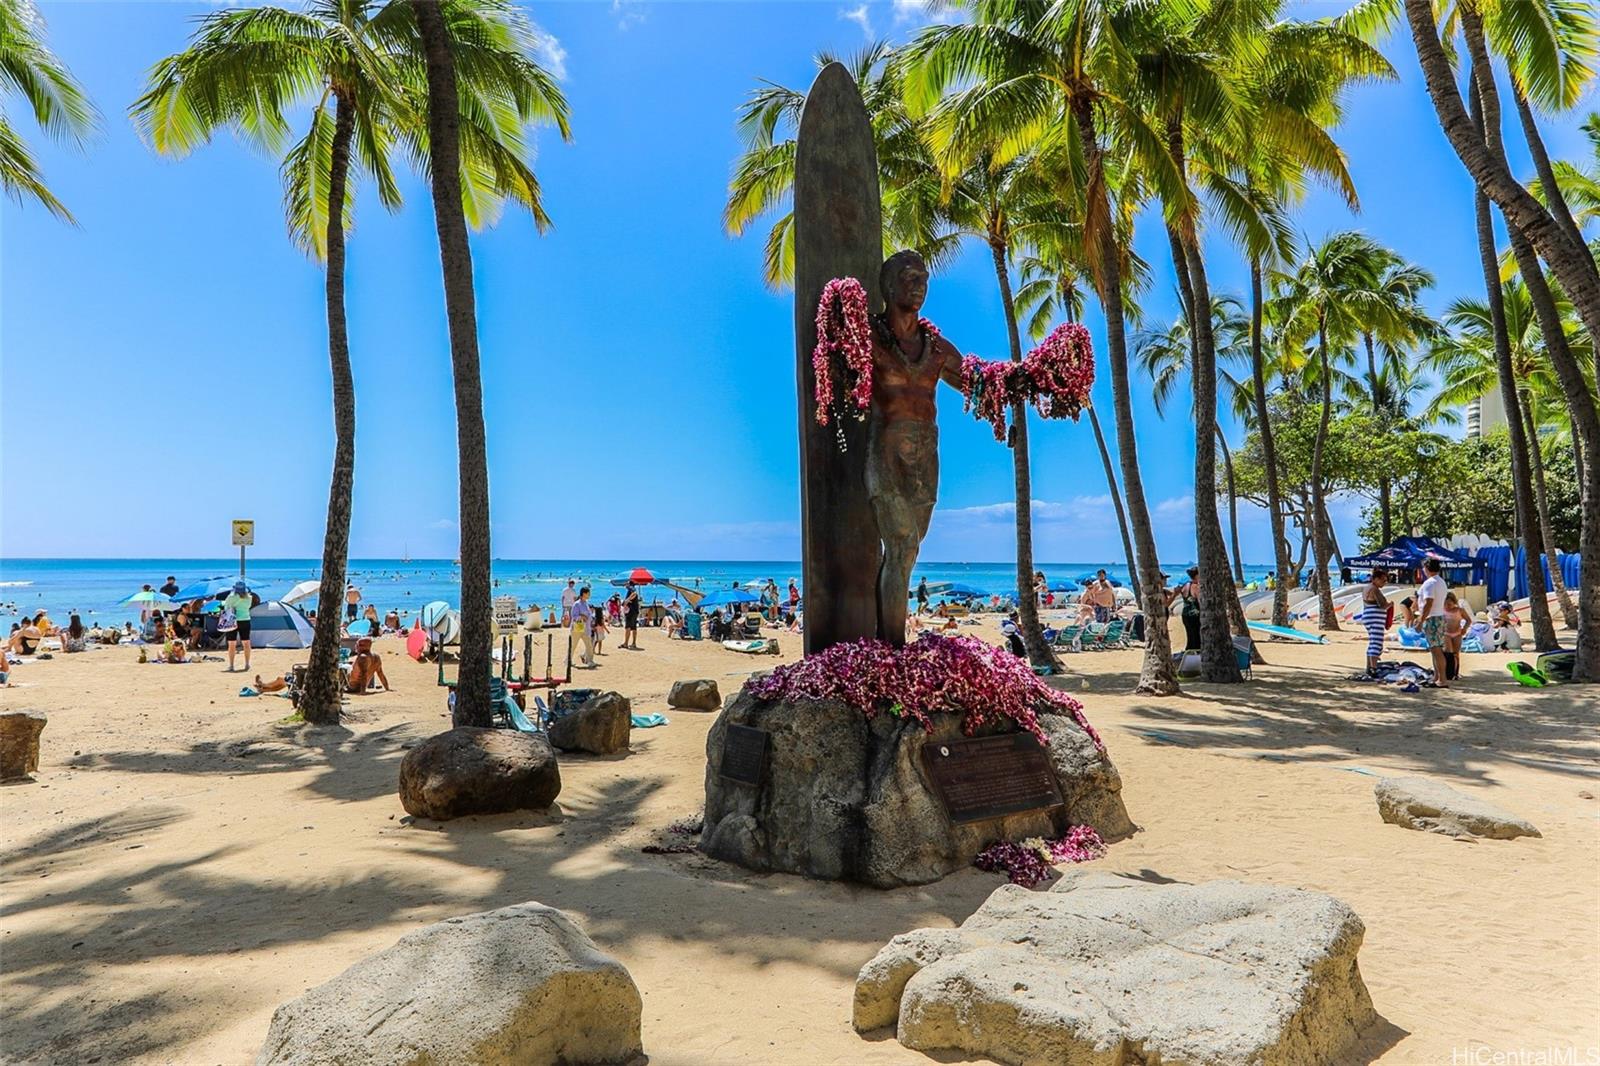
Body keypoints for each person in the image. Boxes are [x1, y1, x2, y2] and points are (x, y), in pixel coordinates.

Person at [1416, 559, 1450, 687]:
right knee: (1436, 648)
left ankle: (1442, 679)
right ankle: (1437, 677)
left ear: (1426, 568)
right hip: (1439, 616)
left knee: (1436, 650)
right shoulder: (1441, 582)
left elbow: (1428, 603)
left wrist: (1421, 619)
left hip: (1432, 618)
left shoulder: (1430, 583)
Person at [1359, 570, 1390, 676]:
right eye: (1383, 580)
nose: (1385, 583)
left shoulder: (1367, 588)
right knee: (1376, 643)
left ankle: (1369, 667)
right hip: (1375, 617)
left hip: (1369, 615)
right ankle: (1373, 668)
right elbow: (1382, 605)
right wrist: (1390, 604)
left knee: (1373, 642)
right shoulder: (1374, 589)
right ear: (1375, 579)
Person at [220, 579, 255, 673]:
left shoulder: (231, 597)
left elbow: (226, 607)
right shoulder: (249, 597)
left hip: (232, 621)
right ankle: (247, 664)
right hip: (245, 620)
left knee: (232, 644)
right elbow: (248, 607)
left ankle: (231, 665)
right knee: (246, 643)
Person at [1443, 592, 1473, 682]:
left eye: (1449, 604)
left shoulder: (1460, 610)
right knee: (1449, 652)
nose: (1447, 606)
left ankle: (1455, 673)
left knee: (1456, 654)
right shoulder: (1442, 610)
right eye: (1445, 604)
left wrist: (1465, 629)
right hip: (1446, 633)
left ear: (1454, 602)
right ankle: (1448, 672)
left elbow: (1468, 620)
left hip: (1457, 633)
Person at [1170, 567, 1201, 651]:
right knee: (1197, 639)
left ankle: (1188, 655)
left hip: (1185, 614)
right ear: (1197, 575)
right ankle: (1195, 658)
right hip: (1195, 615)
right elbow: (1200, 602)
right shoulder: (1196, 587)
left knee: (1190, 637)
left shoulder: (1185, 585)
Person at [570, 586, 596, 668]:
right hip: (577, 628)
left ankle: (590, 661)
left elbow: (589, 616)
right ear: (584, 594)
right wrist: (582, 616)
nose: (589, 595)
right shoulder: (577, 604)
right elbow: (574, 616)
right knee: (573, 645)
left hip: (586, 628)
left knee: (589, 645)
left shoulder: (586, 603)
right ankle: (568, 660)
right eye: (588, 593)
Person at [621, 582, 641, 649]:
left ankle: (626, 643)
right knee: (634, 627)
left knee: (628, 627)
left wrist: (627, 600)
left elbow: (634, 593)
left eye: (627, 583)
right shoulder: (631, 589)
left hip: (630, 611)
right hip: (635, 611)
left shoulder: (631, 588)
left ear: (629, 584)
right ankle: (633, 643)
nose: (625, 585)